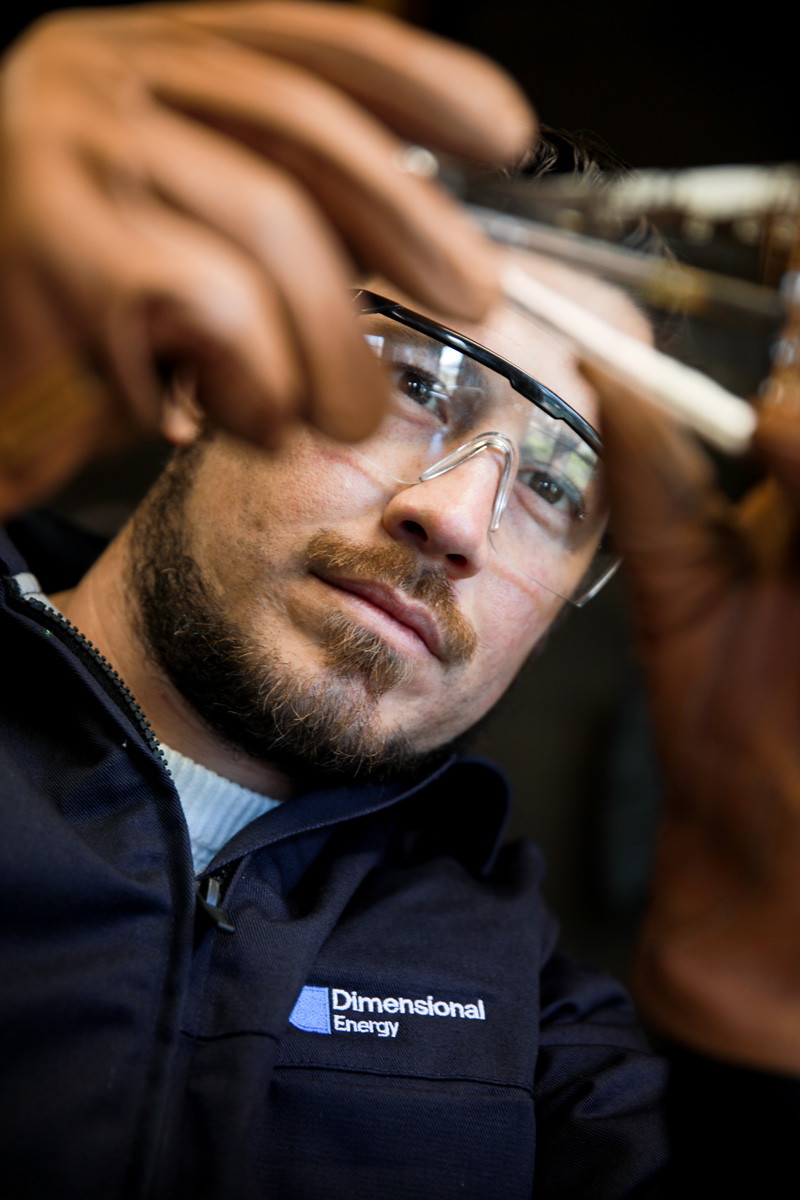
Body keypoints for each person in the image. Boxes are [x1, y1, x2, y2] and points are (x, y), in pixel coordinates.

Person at [1, 4, 799, 1198]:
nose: (457, 521)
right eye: (416, 380)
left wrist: (757, 1035)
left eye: (555, 482)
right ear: (196, 376)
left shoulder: (538, 1027)